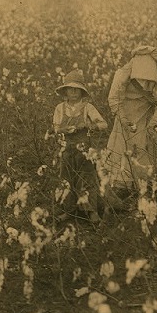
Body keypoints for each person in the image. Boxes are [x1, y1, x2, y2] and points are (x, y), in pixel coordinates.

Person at [103, 45, 157, 199]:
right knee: (126, 148)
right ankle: (127, 184)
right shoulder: (122, 74)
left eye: (149, 80)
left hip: (150, 112)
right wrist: (124, 120)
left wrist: (154, 122)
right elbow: (114, 100)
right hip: (128, 112)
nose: (145, 84)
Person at [52, 69, 108, 224]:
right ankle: (68, 211)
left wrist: (89, 125)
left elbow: (103, 124)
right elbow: (55, 128)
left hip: (84, 150)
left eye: (77, 89)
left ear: (82, 92)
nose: (74, 92)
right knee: (66, 178)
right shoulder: (60, 108)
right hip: (66, 149)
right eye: (70, 89)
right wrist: (63, 130)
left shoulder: (87, 108)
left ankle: (91, 211)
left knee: (87, 177)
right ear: (65, 91)